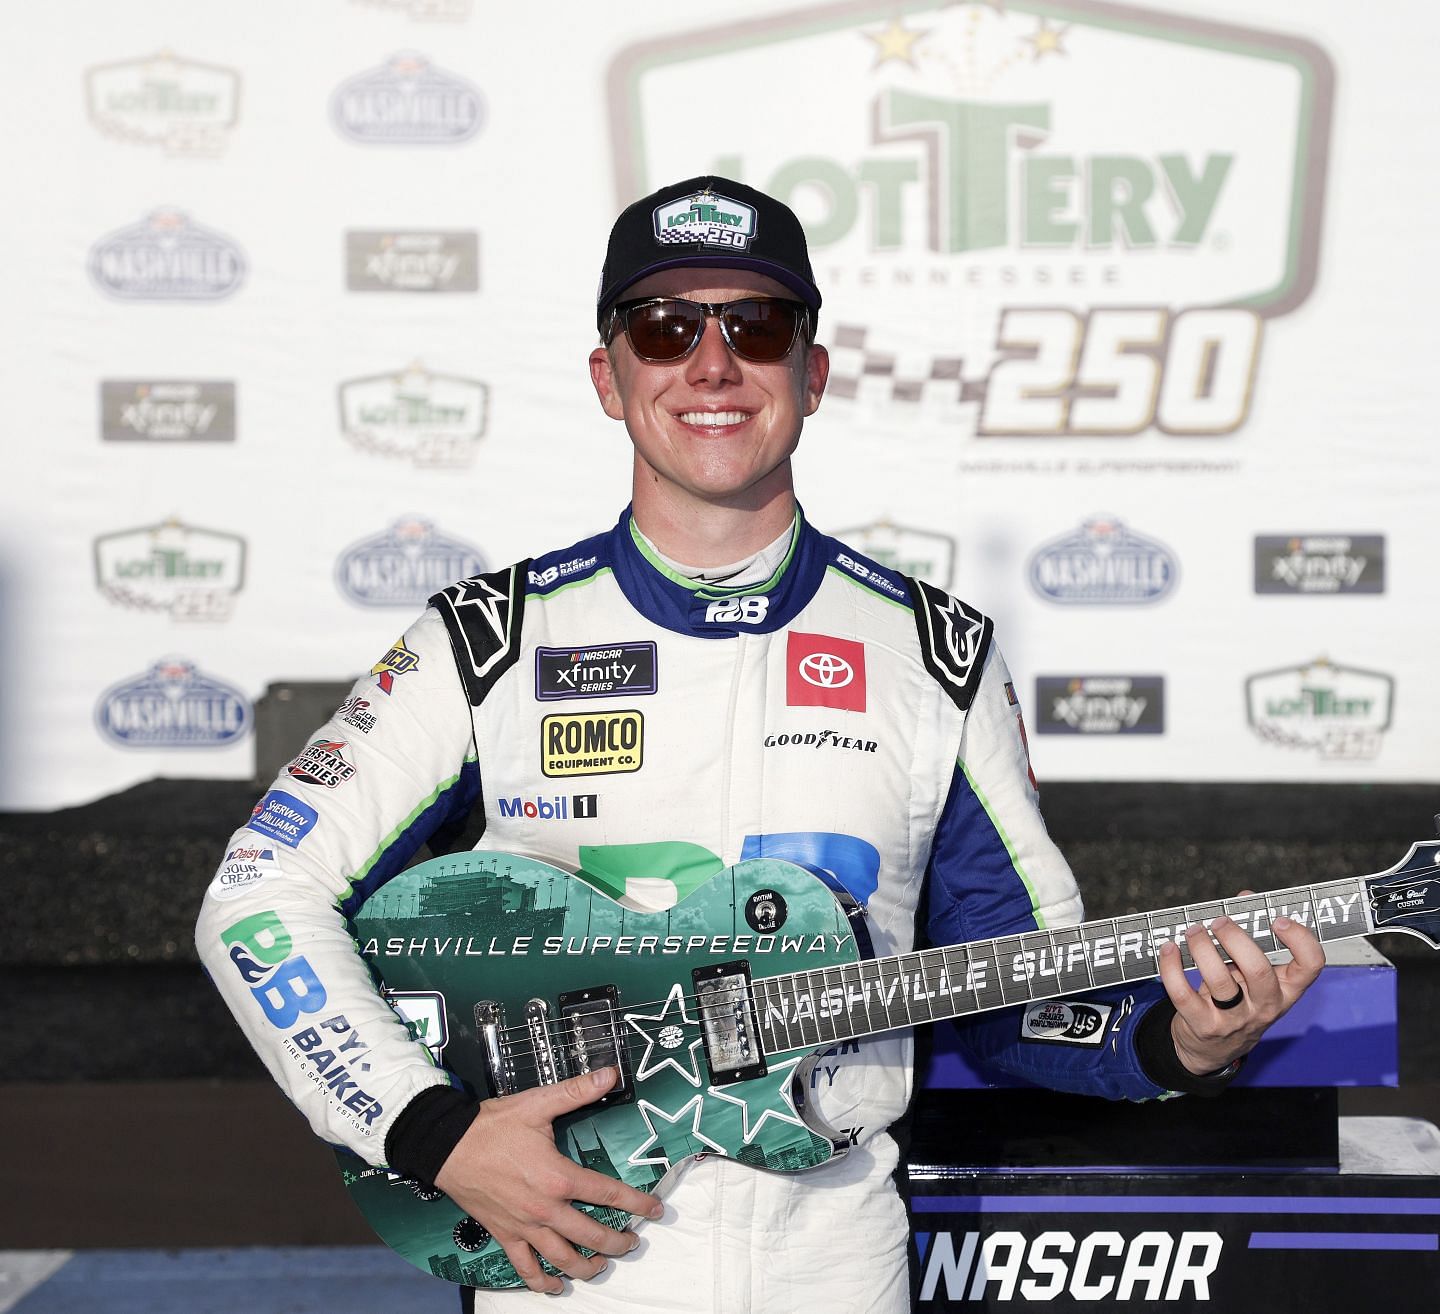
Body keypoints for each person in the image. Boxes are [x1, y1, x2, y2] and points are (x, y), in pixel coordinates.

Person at [195, 177, 1325, 1311]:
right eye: (665, 329)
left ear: (812, 373)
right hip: (570, 1266)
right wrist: (429, 1129)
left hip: (834, 1262)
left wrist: (1183, 1043)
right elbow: (256, 896)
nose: (713, 365)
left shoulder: (938, 654)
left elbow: (1012, 990)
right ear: (610, 377)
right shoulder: (488, 642)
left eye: (759, 326)